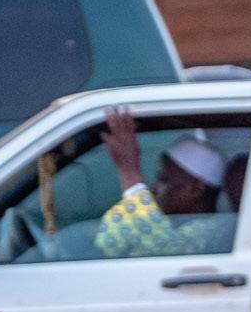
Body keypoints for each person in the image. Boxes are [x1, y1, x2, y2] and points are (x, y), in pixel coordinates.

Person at [92, 107, 236, 258]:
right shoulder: (168, 223)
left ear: (196, 188)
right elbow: (107, 242)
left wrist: (130, 172)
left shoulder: (211, 231)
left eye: (163, 180)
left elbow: (163, 250)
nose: (154, 189)